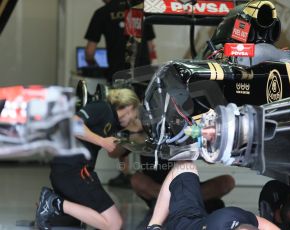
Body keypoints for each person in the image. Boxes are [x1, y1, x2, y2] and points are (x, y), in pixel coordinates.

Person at [35, 88, 140, 230]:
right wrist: (102, 141)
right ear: (129, 106)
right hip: (73, 172)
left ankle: (56, 204)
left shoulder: (114, 123)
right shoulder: (102, 108)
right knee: (115, 224)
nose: (134, 119)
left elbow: (113, 153)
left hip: (75, 172)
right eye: (136, 114)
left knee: (103, 219)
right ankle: (53, 203)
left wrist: (135, 138)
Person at [146, 161, 279, 230]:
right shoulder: (227, 217)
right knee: (184, 166)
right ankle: (153, 225)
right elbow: (261, 223)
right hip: (187, 220)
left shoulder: (228, 218)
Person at [131, 156, 235, 213]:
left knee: (228, 181)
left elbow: (210, 160)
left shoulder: (186, 126)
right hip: (158, 190)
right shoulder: (145, 126)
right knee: (136, 180)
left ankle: (179, 204)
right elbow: (115, 152)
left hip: (188, 189)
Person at [84, 0, 156, 82]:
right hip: (143, 75)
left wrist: (97, 71)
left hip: (118, 75)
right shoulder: (141, 10)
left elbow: (89, 53)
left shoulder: (101, 13)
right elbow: (151, 48)